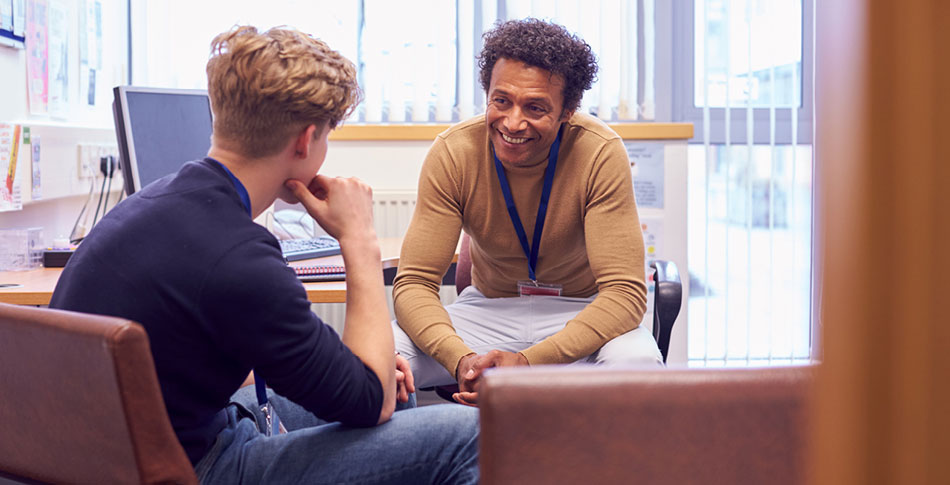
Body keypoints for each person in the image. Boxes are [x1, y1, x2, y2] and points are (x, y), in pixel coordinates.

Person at [50, 25, 478, 484]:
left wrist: (362, 377)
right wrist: (359, 238)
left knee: (398, 391)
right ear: (304, 140)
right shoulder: (240, 259)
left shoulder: (151, 203)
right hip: (196, 467)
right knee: (475, 432)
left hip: (111, 454)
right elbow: (369, 402)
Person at [392, 18, 662, 406]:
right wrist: (462, 360)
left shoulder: (600, 152)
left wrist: (529, 362)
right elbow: (414, 284)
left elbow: (624, 295)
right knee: (380, 357)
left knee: (638, 366)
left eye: (535, 107)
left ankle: (600, 469)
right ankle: (425, 461)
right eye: (501, 101)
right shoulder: (454, 153)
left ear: (567, 110)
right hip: (488, 312)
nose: (513, 122)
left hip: (580, 312)